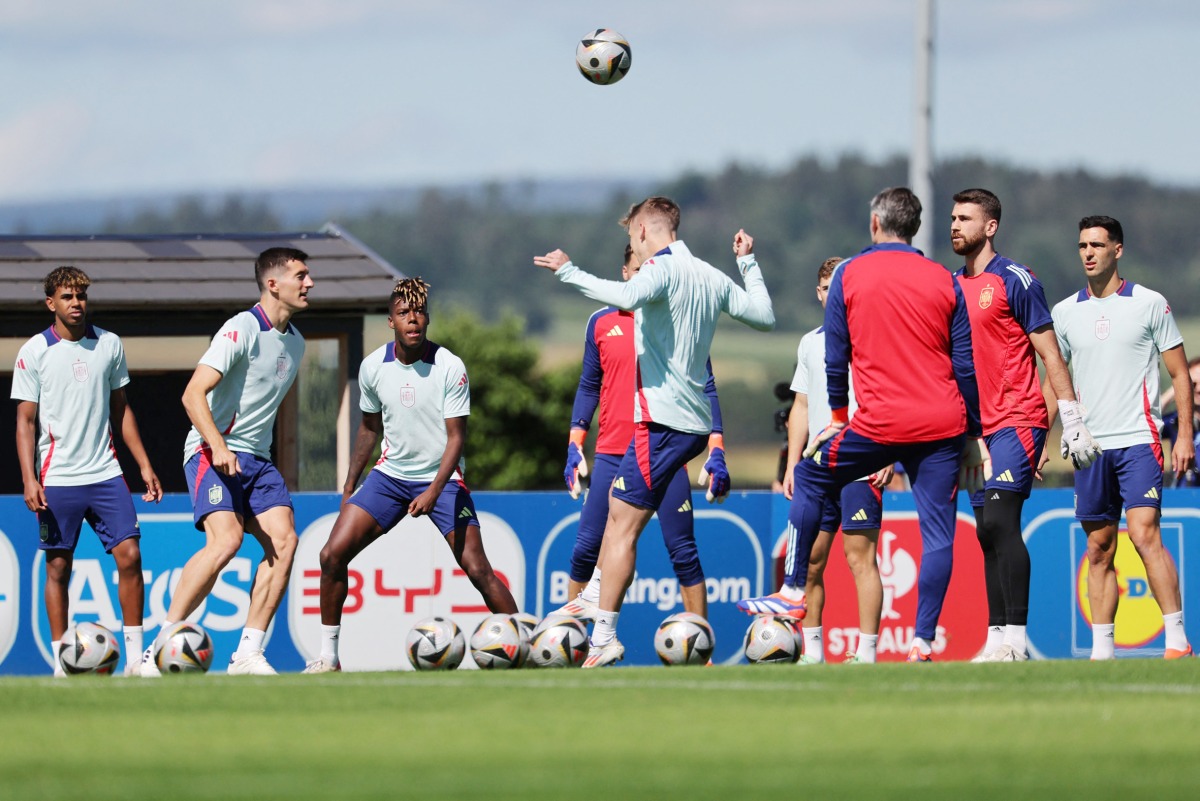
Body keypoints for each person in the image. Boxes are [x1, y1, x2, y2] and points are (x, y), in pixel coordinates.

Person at [534, 196, 775, 667]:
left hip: (660, 424)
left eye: (631, 238)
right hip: (688, 426)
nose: (632, 248)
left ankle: (603, 637)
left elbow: (624, 297)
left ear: (644, 231)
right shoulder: (710, 274)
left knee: (620, 527)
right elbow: (764, 317)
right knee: (620, 522)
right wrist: (747, 263)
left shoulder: (661, 269)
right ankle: (598, 598)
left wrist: (567, 271)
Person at [781, 187, 989, 664]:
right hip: (942, 423)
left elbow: (836, 356)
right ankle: (922, 642)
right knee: (938, 534)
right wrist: (975, 431)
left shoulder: (850, 273)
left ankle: (794, 589)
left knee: (811, 474)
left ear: (875, 224)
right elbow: (964, 364)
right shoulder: (943, 278)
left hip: (878, 424)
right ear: (914, 226)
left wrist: (836, 417)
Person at [305, 278, 518, 673]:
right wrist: (351, 484)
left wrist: (435, 490)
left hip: (443, 479)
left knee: (477, 568)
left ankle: (525, 645)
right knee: (331, 555)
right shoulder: (373, 367)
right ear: (391, 322)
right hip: (389, 478)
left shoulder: (450, 366)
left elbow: (457, 439)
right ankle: (329, 659)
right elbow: (369, 428)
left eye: (418, 312)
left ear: (428, 319)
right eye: (404, 313)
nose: (412, 319)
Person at [141, 247, 313, 676]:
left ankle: (247, 655)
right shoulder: (241, 327)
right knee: (226, 542)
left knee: (286, 542)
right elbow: (191, 394)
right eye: (301, 276)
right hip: (209, 450)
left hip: (257, 461)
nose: (309, 284)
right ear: (273, 284)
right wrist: (218, 445)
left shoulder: (297, 343)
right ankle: (158, 648)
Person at [949, 188, 1098, 662]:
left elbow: (1050, 352)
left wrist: (1070, 419)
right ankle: (995, 642)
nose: (955, 225)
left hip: (1017, 419)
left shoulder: (1016, 278)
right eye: (952, 218)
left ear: (990, 227)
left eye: (965, 218)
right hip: (974, 432)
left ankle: (1016, 640)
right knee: (984, 532)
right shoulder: (951, 286)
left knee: (999, 520)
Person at [555, 244, 730, 623]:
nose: (644, 279)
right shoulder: (600, 323)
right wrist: (574, 443)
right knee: (587, 549)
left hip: (663, 449)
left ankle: (701, 652)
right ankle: (576, 642)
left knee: (683, 551)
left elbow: (707, 385)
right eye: (637, 271)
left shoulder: (675, 322)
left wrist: (716, 447)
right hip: (613, 452)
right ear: (624, 273)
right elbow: (588, 386)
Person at [1046, 216, 1193, 660]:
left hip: (1139, 440)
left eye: (1096, 245)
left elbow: (1180, 373)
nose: (1088, 253)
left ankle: (1176, 641)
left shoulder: (1150, 304)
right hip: (1089, 449)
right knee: (1098, 547)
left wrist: (1183, 434)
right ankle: (1102, 652)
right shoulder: (1065, 312)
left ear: (1118, 250)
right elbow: (1054, 379)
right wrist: (1038, 438)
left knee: (1145, 535)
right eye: (1082, 246)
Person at [738, 257, 890, 664]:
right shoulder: (810, 342)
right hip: (820, 468)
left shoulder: (874, 336)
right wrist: (790, 467)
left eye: (837, 285)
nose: (830, 294)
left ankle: (868, 654)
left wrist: (889, 453)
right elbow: (801, 408)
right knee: (809, 564)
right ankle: (812, 656)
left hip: (862, 463)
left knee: (860, 558)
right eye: (824, 287)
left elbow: (894, 399)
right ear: (819, 292)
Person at [12, 266, 163, 677]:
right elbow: (25, 422)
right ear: (51, 303)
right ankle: (64, 663)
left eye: (81, 296)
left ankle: (135, 661)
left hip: (106, 473)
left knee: (130, 556)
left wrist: (144, 465)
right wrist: (29, 478)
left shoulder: (110, 344)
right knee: (58, 567)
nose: (76, 304)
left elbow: (122, 408)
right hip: (58, 478)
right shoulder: (33, 352)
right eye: (67, 297)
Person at [1159, 357, 1200, 488]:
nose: (1199, 389)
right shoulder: (1174, 421)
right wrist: (1179, 386)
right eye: (1193, 384)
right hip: (1182, 496)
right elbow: (1147, 421)